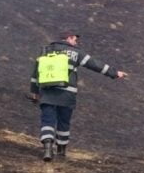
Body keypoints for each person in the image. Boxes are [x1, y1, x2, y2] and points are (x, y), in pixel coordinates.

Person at [30, 30, 127, 162]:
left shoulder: (45, 51)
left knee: (47, 121)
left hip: (47, 92)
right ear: (69, 38)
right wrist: (114, 73)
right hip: (67, 94)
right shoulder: (76, 52)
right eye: (75, 40)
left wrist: (35, 92)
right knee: (64, 122)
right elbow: (95, 64)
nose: (76, 43)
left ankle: (47, 149)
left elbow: (35, 74)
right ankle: (61, 151)